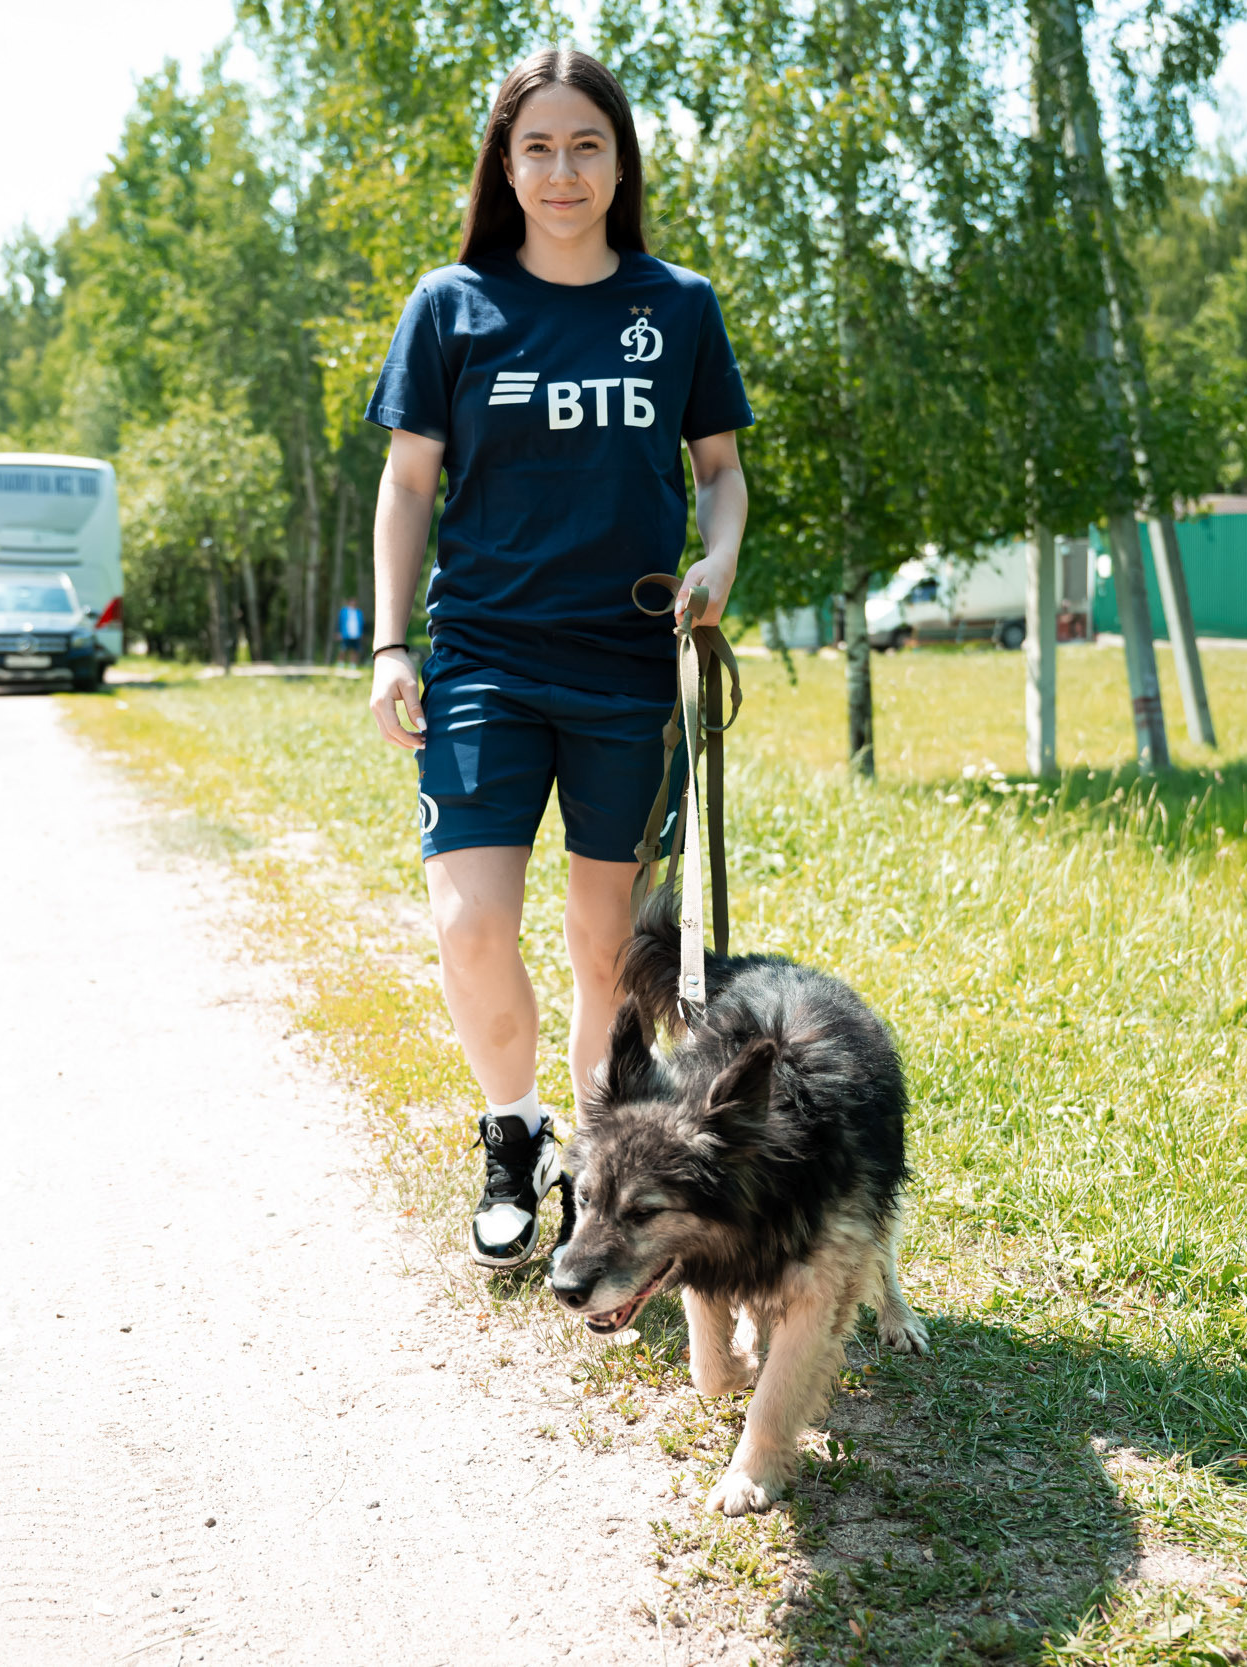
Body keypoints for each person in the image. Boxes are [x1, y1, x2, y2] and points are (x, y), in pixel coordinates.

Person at [363, 46, 752, 1269]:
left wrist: (719, 561)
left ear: (621, 159)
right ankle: (512, 1132)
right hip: (481, 656)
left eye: (588, 143)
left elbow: (723, 473)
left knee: (605, 949)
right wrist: (388, 642)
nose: (563, 168)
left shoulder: (677, 305)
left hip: (630, 665)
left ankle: (593, 1165)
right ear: (504, 162)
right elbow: (406, 482)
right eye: (537, 145)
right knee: (468, 922)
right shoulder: (451, 306)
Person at [335, 595, 366, 668]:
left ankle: (353, 665)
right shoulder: (344, 611)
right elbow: (339, 622)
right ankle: (340, 664)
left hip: (356, 634)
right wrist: (338, 632)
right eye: (352, 601)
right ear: (348, 602)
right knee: (343, 649)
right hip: (346, 634)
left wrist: (362, 633)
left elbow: (362, 623)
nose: (353, 603)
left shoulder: (359, 612)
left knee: (355, 650)